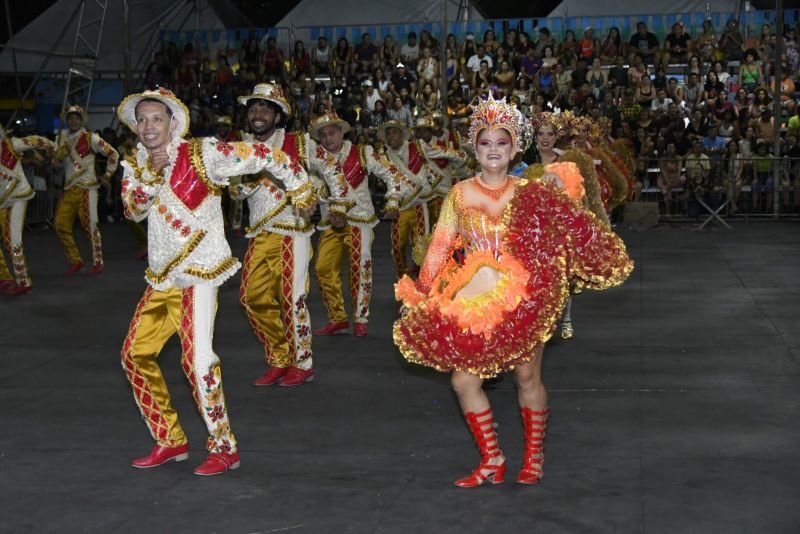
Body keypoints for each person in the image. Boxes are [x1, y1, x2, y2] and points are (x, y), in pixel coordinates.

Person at [394, 94, 633, 488]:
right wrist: (420, 295)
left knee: (527, 377)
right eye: (485, 142)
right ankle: (493, 458)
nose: (493, 150)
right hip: (472, 298)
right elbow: (439, 248)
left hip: (523, 298)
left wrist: (562, 181)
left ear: (515, 146)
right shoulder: (459, 194)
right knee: (463, 381)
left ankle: (534, 456)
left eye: (501, 142)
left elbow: (572, 204)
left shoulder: (530, 189)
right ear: (474, 147)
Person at [117, 88, 314, 475]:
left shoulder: (203, 153)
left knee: (198, 360)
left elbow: (269, 156)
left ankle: (224, 447)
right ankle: (170, 439)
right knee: (133, 356)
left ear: (173, 123)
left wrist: (301, 189)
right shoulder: (135, 165)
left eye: (157, 119)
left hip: (200, 275)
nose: (149, 126)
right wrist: (149, 176)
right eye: (142, 120)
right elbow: (133, 210)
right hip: (162, 278)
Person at [234, 83, 345, 387]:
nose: (258, 114)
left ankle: (303, 362)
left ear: (278, 116)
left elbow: (332, 168)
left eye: (265, 109)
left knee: (292, 298)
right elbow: (234, 189)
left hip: (293, 231)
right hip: (259, 233)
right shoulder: (242, 148)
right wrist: (243, 186)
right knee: (250, 298)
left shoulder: (298, 143)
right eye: (254, 108)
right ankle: (280, 357)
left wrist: (337, 204)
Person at [311, 110, 404, 337]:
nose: (327, 139)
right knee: (323, 268)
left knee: (360, 267)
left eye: (331, 133)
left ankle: (361, 318)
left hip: (360, 219)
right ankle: (338, 318)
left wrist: (392, 200)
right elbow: (311, 187)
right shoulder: (316, 158)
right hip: (331, 221)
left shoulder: (362, 153)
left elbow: (392, 174)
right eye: (322, 135)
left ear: (341, 132)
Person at [52, 105, 119, 275]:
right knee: (60, 224)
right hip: (69, 189)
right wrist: (58, 158)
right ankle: (75, 260)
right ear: (67, 120)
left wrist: (108, 175)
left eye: (76, 118)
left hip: (87, 189)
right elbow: (56, 167)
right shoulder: (61, 138)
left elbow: (113, 154)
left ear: (82, 120)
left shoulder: (92, 138)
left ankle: (98, 261)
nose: (73, 120)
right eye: (70, 118)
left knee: (91, 225)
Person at [0, 125, 55, 295]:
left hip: (19, 195)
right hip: (2, 200)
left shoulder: (12, 144)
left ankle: (23, 281)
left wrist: (51, 148)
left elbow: (36, 140)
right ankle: (4, 276)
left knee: (13, 239)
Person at [379, 120, 435, 278]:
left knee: (421, 245)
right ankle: (403, 278)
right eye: (388, 133)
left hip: (419, 205)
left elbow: (439, 154)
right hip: (401, 207)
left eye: (394, 132)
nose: (391, 136)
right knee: (396, 247)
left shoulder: (416, 147)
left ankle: (422, 278)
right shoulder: (383, 156)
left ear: (402, 134)